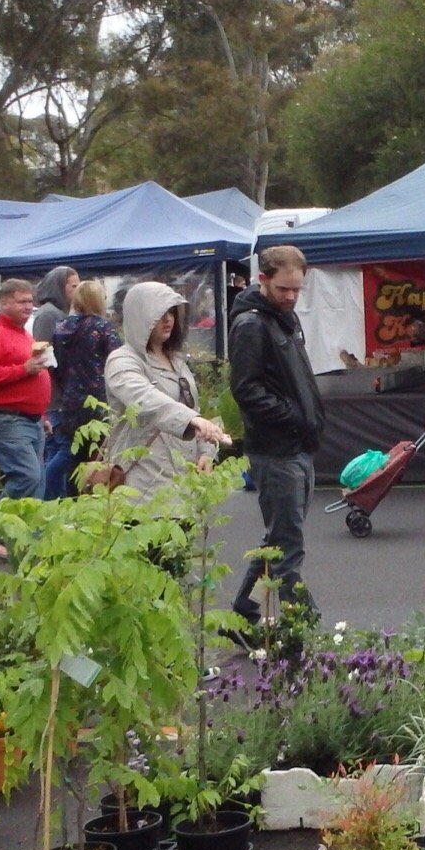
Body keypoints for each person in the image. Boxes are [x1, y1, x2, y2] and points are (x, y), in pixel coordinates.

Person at [228, 245, 326, 625]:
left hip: (296, 444)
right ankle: (301, 623)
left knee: (278, 540)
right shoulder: (252, 325)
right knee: (287, 544)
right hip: (277, 449)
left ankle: (247, 607)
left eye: (297, 290)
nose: (290, 296)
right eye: (284, 289)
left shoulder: (283, 319)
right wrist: (294, 419)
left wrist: (305, 422)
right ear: (262, 280)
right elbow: (247, 390)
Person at [104, 281, 230, 494]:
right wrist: (191, 420)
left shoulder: (176, 360)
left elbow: (195, 409)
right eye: (159, 313)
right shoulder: (122, 361)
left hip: (184, 482)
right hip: (142, 485)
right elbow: (144, 398)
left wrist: (207, 451)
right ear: (139, 316)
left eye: (172, 311)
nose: (168, 319)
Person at [0, 279, 51, 500]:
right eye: (21, 301)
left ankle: (30, 534)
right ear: (4, 303)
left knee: (38, 483)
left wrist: (41, 415)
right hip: (6, 418)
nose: (28, 307)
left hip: (31, 420)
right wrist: (23, 369)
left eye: (30, 301)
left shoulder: (24, 334)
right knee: (27, 477)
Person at [46, 280, 122, 497]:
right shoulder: (102, 327)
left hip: (70, 401)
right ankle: (95, 498)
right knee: (99, 456)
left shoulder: (60, 328)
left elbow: (54, 366)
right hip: (98, 400)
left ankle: (69, 499)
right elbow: (119, 359)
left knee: (73, 455)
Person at [31, 267, 79, 341]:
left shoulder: (65, 311)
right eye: (74, 286)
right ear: (59, 287)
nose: (78, 290)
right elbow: (43, 348)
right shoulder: (48, 314)